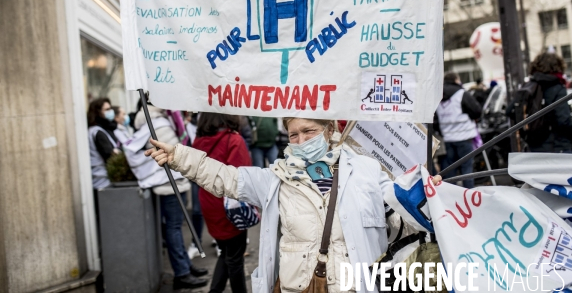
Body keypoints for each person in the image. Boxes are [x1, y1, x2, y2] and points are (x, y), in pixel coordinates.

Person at [146, 117, 442, 293]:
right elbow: (227, 177)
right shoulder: (275, 178)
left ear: (328, 130)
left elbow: (398, 221)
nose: (301, 140)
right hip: (298, 288)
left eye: (309, 131)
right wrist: (178, 157)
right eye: (293, 135)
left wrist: (426, 197)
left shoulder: (366, 170)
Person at [133, 104, 208, 290]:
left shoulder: (161, 119)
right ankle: (182, 273)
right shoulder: (157, 123)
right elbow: (176, 152)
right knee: (174, 228)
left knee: (175, 227)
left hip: (173, 181)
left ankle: (185, 267)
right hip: (170, 182)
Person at [192, 113, 252, 293]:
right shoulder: (234, 140)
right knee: (235, 258)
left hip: (208, 202)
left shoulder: (198, 141)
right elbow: (242, 176)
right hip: (230, 205)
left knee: (226, 253)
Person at [525, 52, 572, 153]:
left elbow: (511, 111)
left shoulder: (530, 86)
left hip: (534, 146)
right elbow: (563, 120)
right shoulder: (557, 87)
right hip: (558, 146)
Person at [434, 72, 482, 188]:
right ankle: (468, 197)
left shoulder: (437, 96)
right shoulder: (462, 94)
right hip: (464, 137)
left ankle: (451, 197)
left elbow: (434, 120)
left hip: (447, 139)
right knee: (467, 169)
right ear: (456, 80)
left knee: (450, 171)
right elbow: (477, 111)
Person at [87, 98, 120, 190]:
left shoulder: (106, 129)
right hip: (102, 181)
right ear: (98, 112)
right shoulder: (97, 132)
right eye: (107, 109)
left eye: (110, 109)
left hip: (106, 179)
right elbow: (109, 154)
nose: (110, 112)